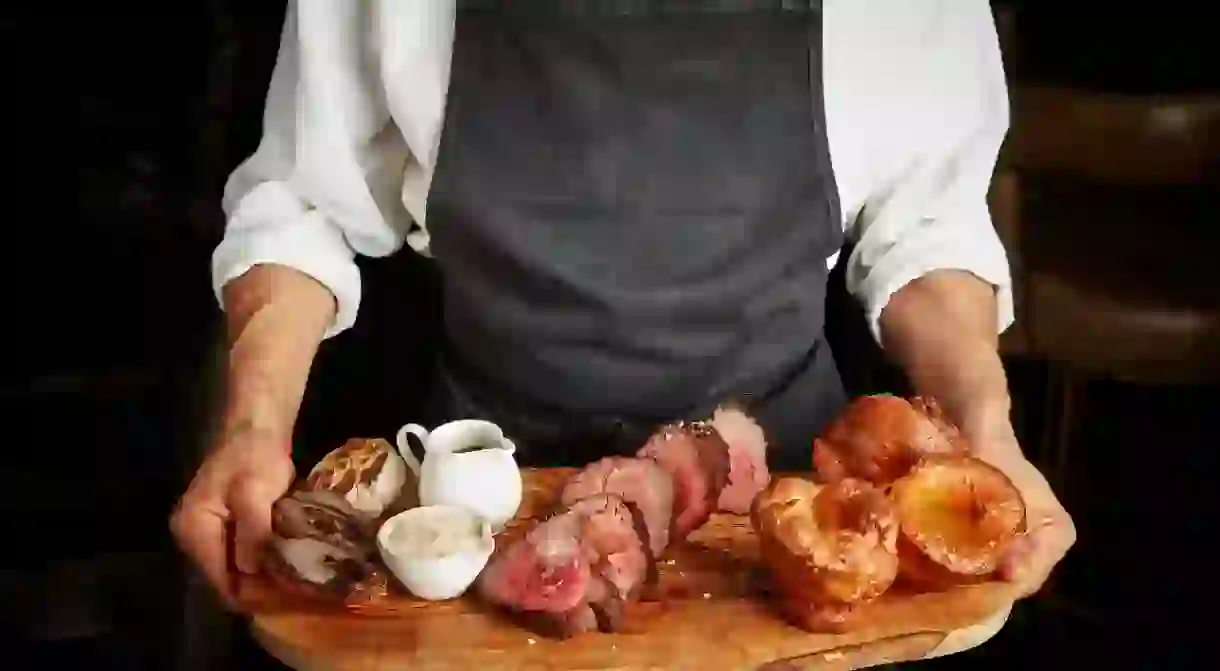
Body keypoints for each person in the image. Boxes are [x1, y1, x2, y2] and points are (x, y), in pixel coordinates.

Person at [172, 0, 1074, 612]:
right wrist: (252, 428)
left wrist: (986, 430)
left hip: (788, 542)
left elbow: (926, 227)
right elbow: (303, 203)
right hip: (476, 516)